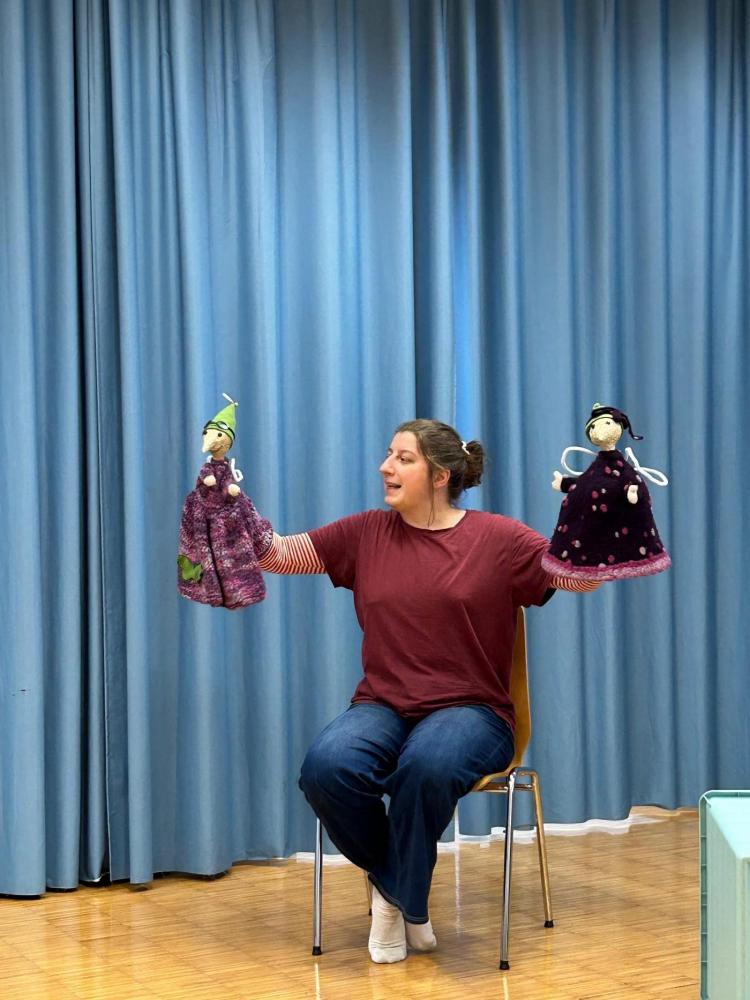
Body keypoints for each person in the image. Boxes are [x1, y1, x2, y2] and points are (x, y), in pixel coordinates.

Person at [256, 419, 597, 963]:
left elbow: (577, 577)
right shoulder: (366, 533)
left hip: (475, 711)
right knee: (326, 768)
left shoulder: (500, 538)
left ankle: (393, 899)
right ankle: (401, 887)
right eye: (388, 454)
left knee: (427, 766)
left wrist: (597, 521)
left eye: (403, 458)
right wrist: (232, 513)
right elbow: (278, 555)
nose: (385, 467)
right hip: (384, 705)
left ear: (440, 476)